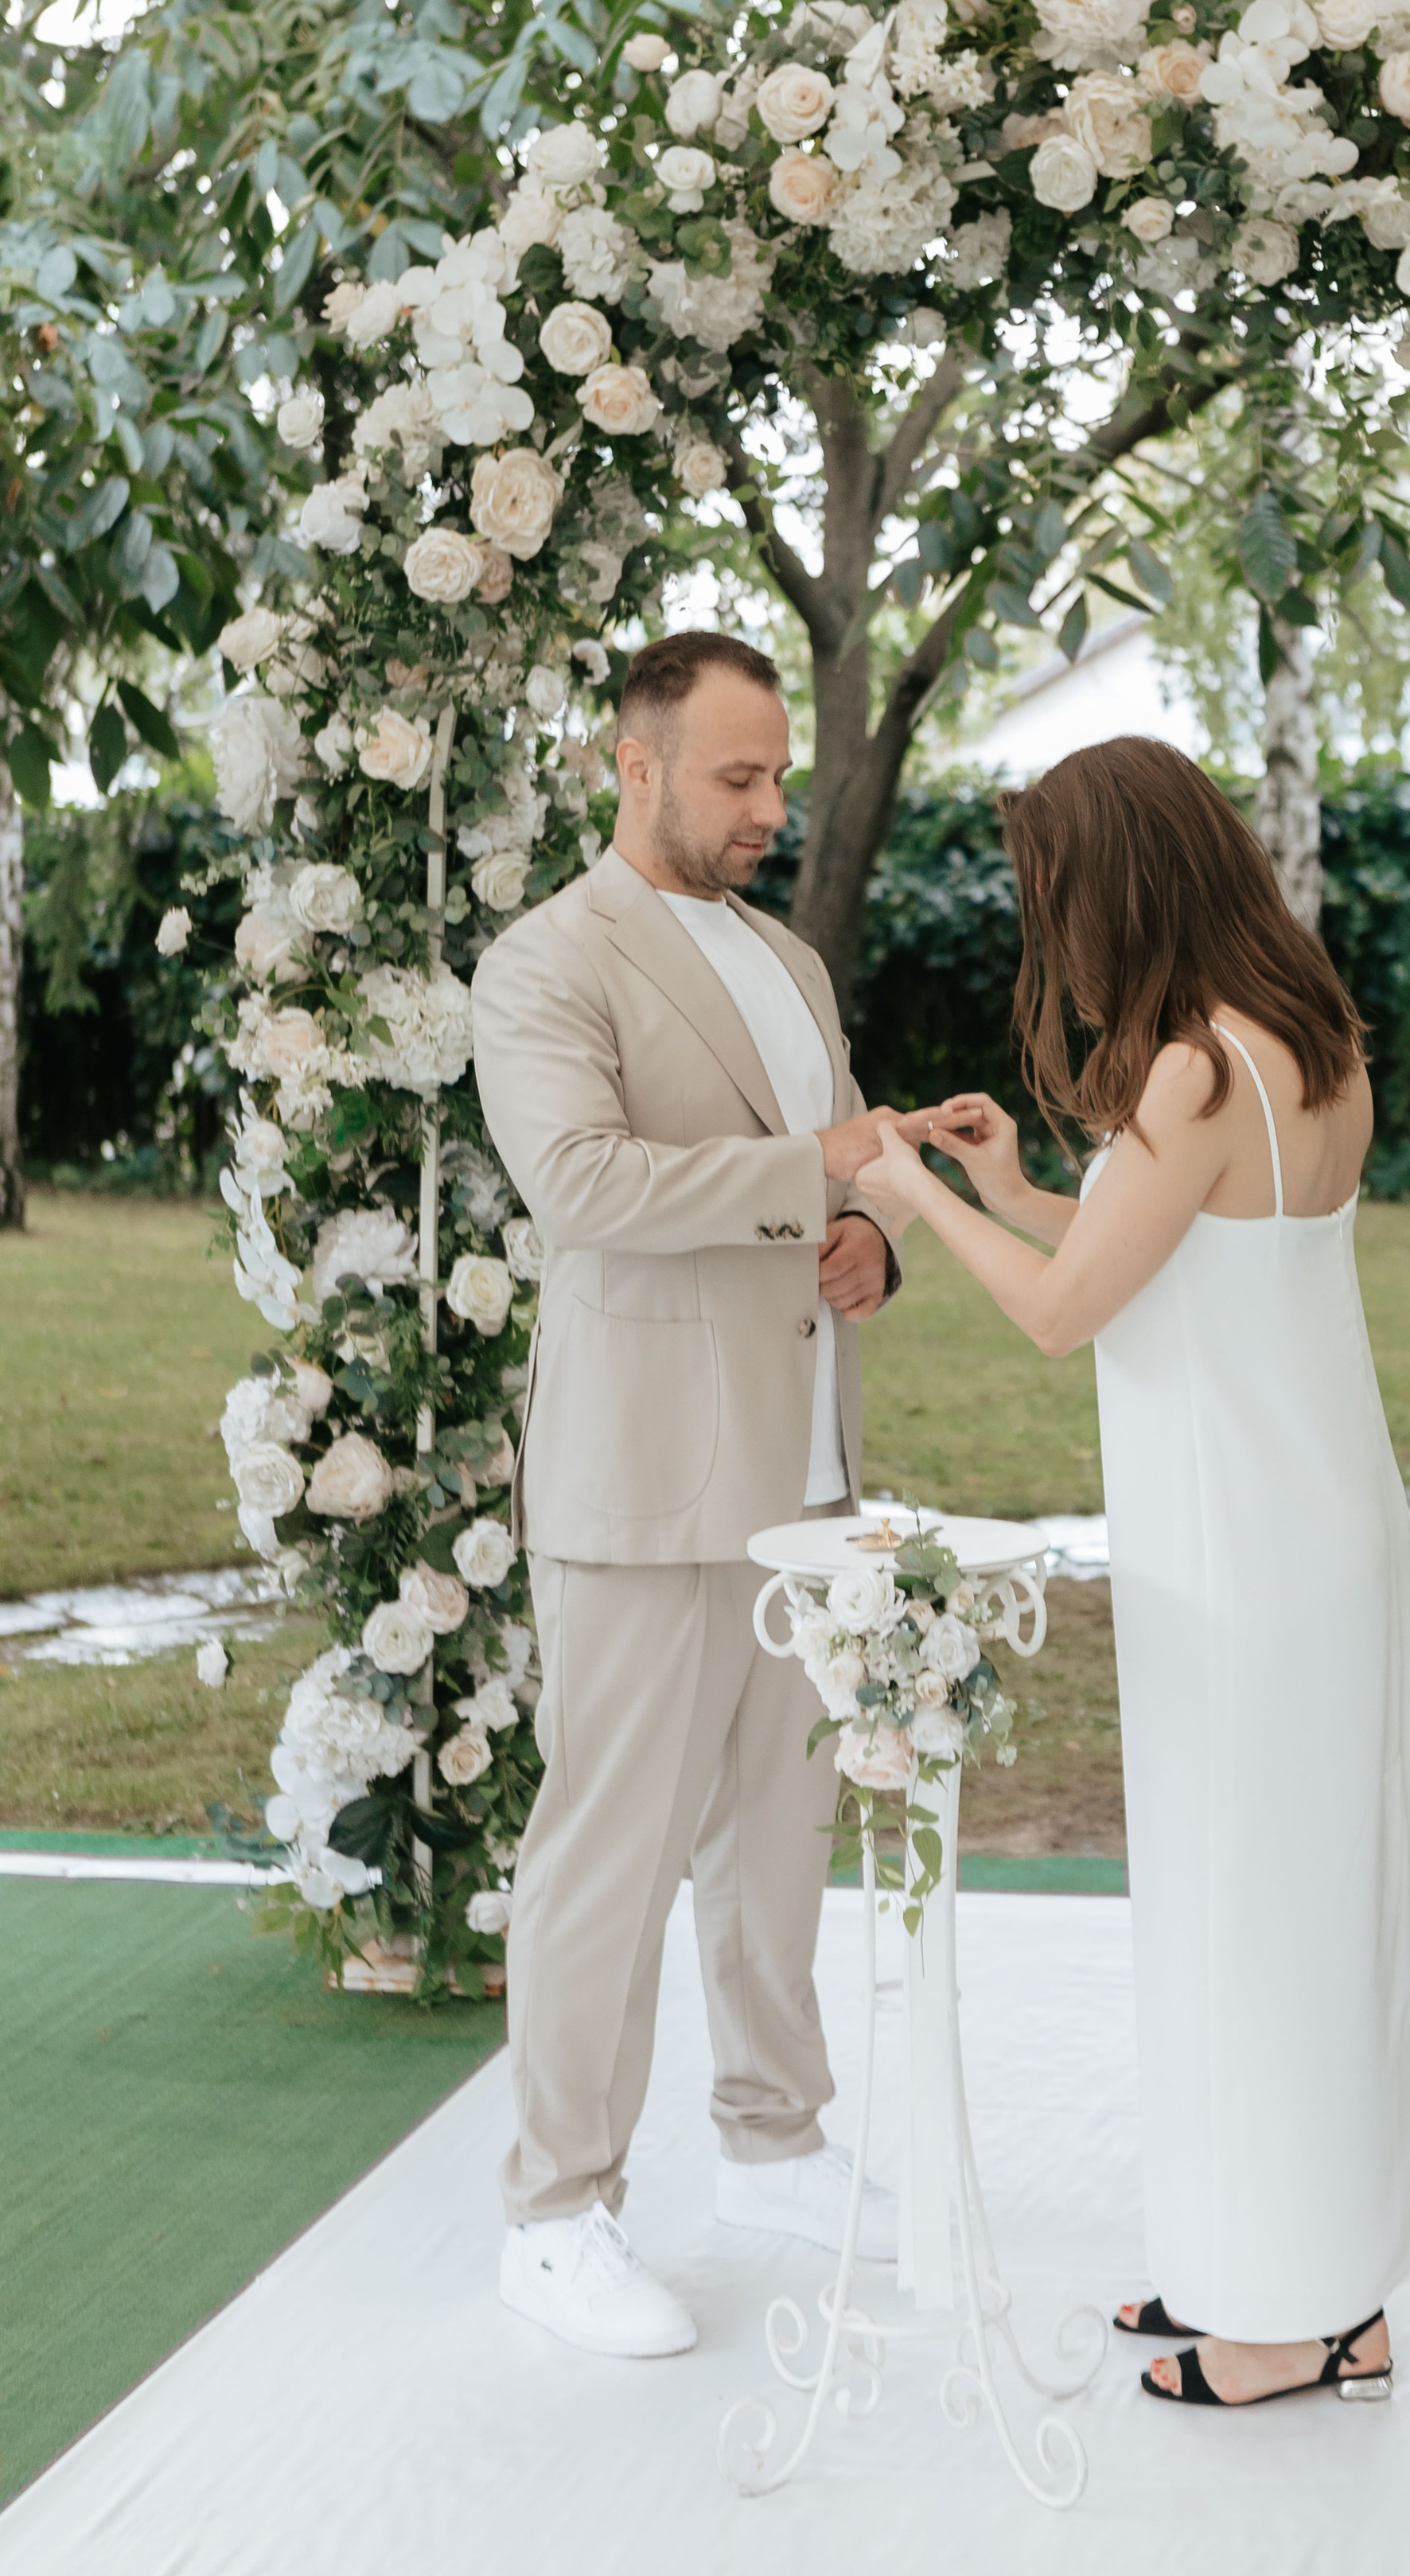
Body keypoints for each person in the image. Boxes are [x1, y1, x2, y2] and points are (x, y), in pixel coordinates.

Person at [855, 735, 1410, 2411]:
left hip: (1247, 1556)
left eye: (1059, 893)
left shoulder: (1188, 1068)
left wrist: (898, 1189)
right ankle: (1318, 2287)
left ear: (1123, 883)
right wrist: (1010, 1183)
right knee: (1297, 1913)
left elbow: (1059, 1318)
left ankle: (1274, 2324)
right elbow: (1167, 1278)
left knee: (1251, 1915)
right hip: (1297, 1532)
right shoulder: (1299, 1043)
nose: (1055, 928)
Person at [473, 629, 932, 2360]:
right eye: (734, 779)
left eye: (774, 781)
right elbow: (582, 1185)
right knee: (610, 1851)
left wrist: (873, 1231)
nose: (766, 808)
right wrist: (810, 1168)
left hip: (803, 1478)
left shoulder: (792, 967)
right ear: (634, 764)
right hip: (646, 1483)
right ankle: (555, 2210)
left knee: (778, 1842)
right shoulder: (544, 965)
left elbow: (841, 1173)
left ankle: (772, 2144)